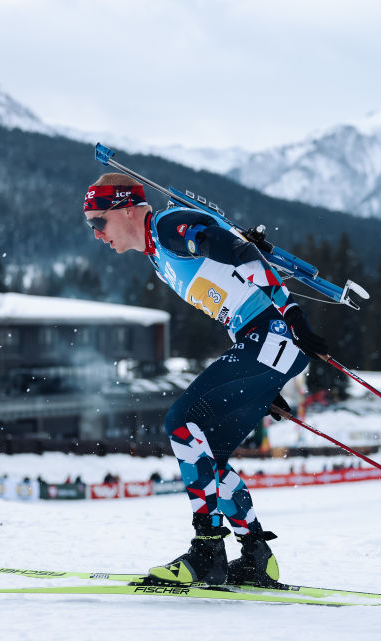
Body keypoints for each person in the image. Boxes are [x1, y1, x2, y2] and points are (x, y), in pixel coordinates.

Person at [83, 174, 328, 586]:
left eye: (98, 222)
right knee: (206, 455)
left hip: (272, 335)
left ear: (127, 208)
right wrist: (259, 382)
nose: (96, 234)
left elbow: (243, 254)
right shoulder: (157, 256)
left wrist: (293, 315)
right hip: (263, 344)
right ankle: (256, 557)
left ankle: (208, 550)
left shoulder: (166, 228)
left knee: (181, 422)